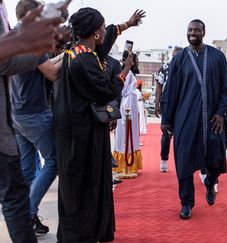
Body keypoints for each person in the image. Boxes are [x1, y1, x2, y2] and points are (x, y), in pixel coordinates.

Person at [53, 8, 135, 242]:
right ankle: (83, 234)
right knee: (84, 185)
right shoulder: (86, 59)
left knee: (76, 185)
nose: (103, 29)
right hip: (81, 133)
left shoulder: (74, 51)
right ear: (93, 32)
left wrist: (126, 25)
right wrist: (125, 69)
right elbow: (107, 91)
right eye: (101, 26)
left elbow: (107, 37)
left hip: (74, 129)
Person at [161, 19, 227, 220]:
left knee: (216, 160)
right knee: (185, 161)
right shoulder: (178, 60)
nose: (192, 33)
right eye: (190, 30)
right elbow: (170, 91)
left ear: (204, 32)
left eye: (196, 30)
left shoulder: (217, 57)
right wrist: (167, 120)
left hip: (214, 120)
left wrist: (222, 113)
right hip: (185, 119)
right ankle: (186, 203)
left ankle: (210, 182)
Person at [0, 2, 62, 242]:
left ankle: (25, 214)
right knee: (54, 161)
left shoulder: (14, 33)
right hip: (33, 112)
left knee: (25, 170)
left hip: (15, 113)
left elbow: (43, 66)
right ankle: (30, 212)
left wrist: (63, 56)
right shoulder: (31, 38)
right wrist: (72, 57)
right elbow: (51, 72)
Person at [113, 54, 143, 177]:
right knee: (125, 135)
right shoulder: (126, 73)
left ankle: (130, 163)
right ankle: (125, 164)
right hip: (127, 107)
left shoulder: (130, 73)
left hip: (131, 106)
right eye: (135, 59)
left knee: (132, 134)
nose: (137, 61)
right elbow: (123, 90)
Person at [155, 46, 182, 172]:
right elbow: (159, 87)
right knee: (166, 133)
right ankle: (164, 159)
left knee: (182, 135)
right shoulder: (165, 68)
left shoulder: (186, 67)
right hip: (167, 104)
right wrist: (157, 103)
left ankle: (181, 161)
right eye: (175, 55)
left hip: (182, 105)